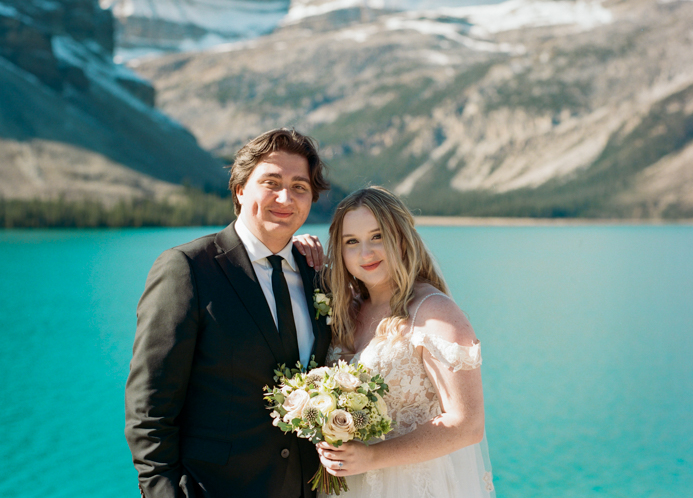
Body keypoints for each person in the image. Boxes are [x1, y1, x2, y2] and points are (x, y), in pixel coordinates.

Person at [125, 128, 331, 498]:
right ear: (240, 189)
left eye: (299, 186)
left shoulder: (315, 273)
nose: (286, 197)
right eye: (271, 182)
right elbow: (149, 407)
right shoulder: (186, 269)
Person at [316, 186, 496, 498]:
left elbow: (468, 424)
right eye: (351, 242)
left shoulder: (434, 312)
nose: (365, 253)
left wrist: (372, 456)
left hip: (413, 485)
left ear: (400, 239)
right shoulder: (349, 310)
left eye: (377, 236)